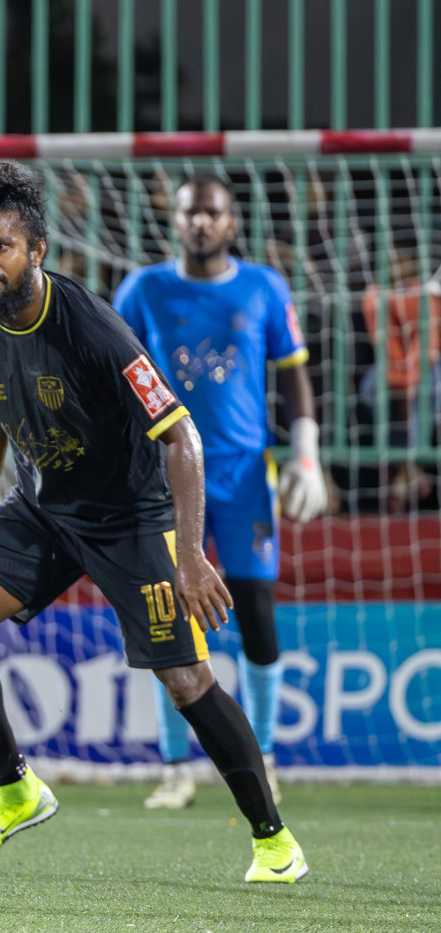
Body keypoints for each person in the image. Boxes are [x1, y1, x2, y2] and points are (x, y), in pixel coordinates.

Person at [0, 162, 306, 884]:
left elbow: (181, 436)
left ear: (35, 250)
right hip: (40, 506)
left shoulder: (92, 325)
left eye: (0, 247)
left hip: (129, 517)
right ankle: (16, 789)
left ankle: (273, 839)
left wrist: (189, 555)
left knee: (187, 680)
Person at [113, 177, 325, 811]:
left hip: (242, 477)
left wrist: (307, 454)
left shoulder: (264, 286)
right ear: (175, 222)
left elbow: (293, 374)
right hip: (162, 474)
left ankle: (264, 757)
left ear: (231, 222)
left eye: (212, 212)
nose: (201, 222)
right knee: (168, 615)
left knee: (256, 610)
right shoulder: (142, 290)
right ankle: (176, 767)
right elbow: (112, 372)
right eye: (190, 212)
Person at [359, 232, 441, 509]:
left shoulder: (425, 294)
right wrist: (400, 376)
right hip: (391, 368)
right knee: (371, 390)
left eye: (399, 258)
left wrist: (411, 377)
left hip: (427, 367)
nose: (393, 264)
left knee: (432, 391)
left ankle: (409, 467)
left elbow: (427, 348)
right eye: (387, 258)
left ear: (411, 262)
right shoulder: (374, 295)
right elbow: (383, 345)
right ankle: (406, 468)